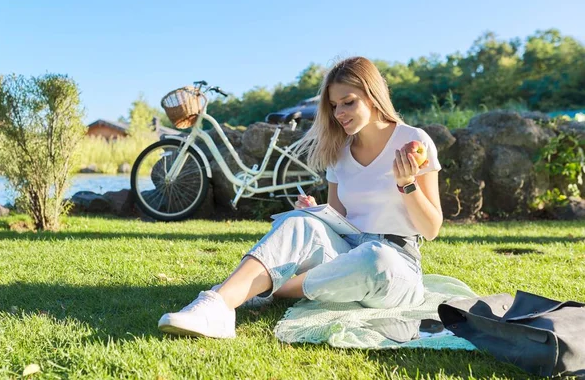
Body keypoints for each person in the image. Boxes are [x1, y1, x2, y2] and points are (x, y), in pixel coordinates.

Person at [158, 56, 443, 339]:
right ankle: (215, 307)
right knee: (299, 221)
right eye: (333, 106)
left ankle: (266, 289)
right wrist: (315, 214)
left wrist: (407, 185)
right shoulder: (339, 151)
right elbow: (339, 217)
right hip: (348, 248)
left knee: (376, 259)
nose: (339, 113)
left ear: (373, 95)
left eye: (348, 102)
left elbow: (431, 230)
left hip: (396, 264)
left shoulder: (412, 141)